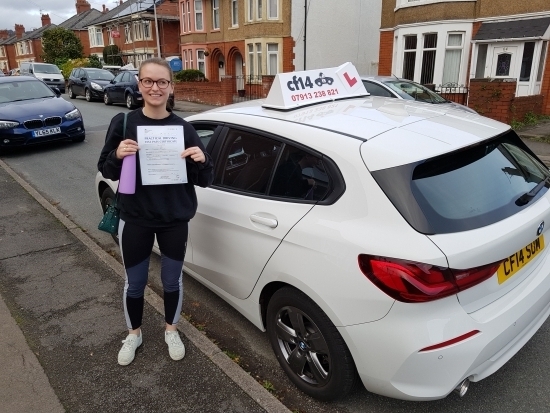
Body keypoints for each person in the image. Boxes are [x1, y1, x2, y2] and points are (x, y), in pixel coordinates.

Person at [97, 57, 213, 366]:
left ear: (171, 87)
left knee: (172, 282)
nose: (155, 87)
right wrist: (119, 155)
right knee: (134, 283)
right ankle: (134, 334)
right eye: (148, 81)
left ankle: (170, 330)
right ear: (140, 84)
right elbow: (105, 167)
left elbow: (205, 179)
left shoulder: (184, 128)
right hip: (135, 219)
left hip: (174, 219)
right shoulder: (124, 123)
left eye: (162, 82)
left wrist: (202, 159)